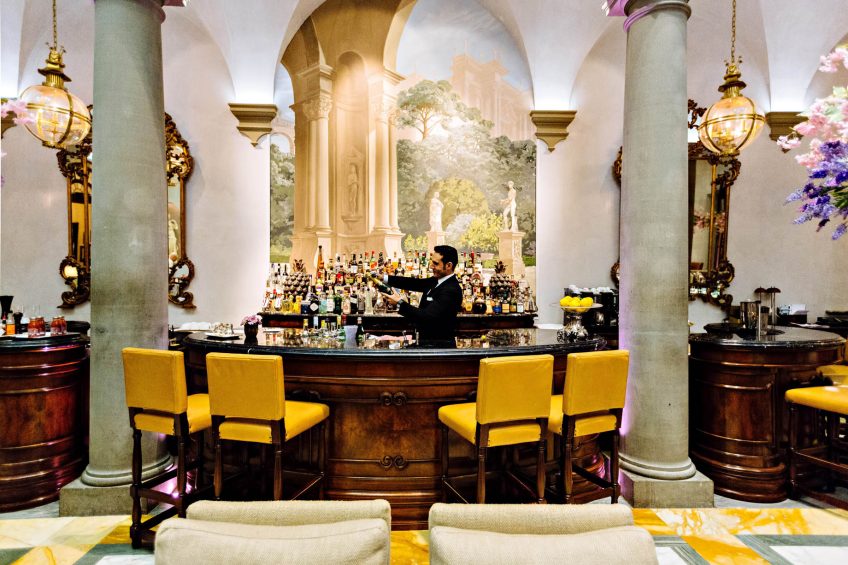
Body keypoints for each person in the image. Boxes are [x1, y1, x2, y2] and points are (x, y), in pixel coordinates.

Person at [377, 245, 462, 347]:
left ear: (448, 265)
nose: (431, 266)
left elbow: (426, 317)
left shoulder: (451, 290)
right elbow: (414, 283)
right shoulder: (436, 280)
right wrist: (384, 278)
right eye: (431, 262)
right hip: (427, 345)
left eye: (435, 263)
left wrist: (399, 303)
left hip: (439, 348)